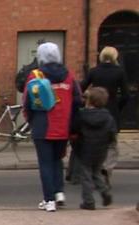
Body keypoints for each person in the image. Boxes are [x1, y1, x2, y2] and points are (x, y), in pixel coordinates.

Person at [23, 42, 82, 212]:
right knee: (57, 160)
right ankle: (59, 193)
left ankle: (49, 200)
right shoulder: (69, 76)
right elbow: (78, 100)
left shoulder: (36, 76)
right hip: (63, 126)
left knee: (45, 163)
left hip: (43, 125)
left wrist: (30, 120)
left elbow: (27, 101)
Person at [81, 46, 129, 187]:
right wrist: (118, 106)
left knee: (93, 141)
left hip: (94, 109)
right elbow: (126, 95)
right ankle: (107, 168)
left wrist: (87, 102)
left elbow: (82, 87)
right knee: (111, 144)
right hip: (112, 111)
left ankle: (95, 171)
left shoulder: (94, 71)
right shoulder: (120, 72)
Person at [72, 87, 116, 210]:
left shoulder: (81, 115)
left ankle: (88, 201)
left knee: (86, 175)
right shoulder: (108, 117)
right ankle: (105, 192)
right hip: (101, 149)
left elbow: (74, 129)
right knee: (96, 172)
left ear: (88, 100)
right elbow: (112, 133)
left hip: (85, 148)